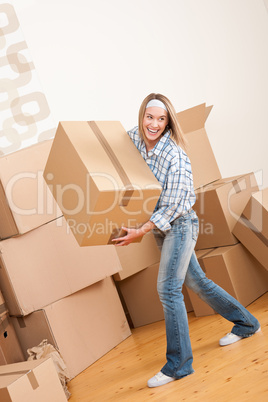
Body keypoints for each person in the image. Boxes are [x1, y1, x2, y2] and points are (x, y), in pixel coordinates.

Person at [112, 93, 261, 388]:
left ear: (168, 123)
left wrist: (140, 231)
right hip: (158, 227)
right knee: (196, 282)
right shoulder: (134, 140)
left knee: (168, 290)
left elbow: (175, 204)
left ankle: (179, 365)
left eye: (161, 119)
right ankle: (247, 323)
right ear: (142, 116)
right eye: (149, 117)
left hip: (180, 224)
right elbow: (109, 150)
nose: (153, 124)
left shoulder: (175, 155)